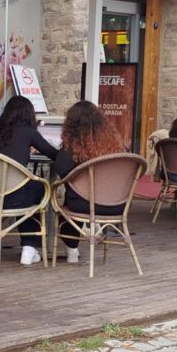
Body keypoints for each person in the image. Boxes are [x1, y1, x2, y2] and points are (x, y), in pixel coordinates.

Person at [0, 95, 59, 266]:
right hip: (15, 199)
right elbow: (54, 154)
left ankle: (29, 248)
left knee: (26, 189)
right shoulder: (28, 132)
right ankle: (29, 246)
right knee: (38, 188)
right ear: (28, 114)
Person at [54, 101, 126, 264]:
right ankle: (91, 228)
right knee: (80, 198)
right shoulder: (115, 146)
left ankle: (72, 248)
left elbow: (62, 170)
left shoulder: (71, 149)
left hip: (83, 205)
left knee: (68, 204)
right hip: (115, 204)